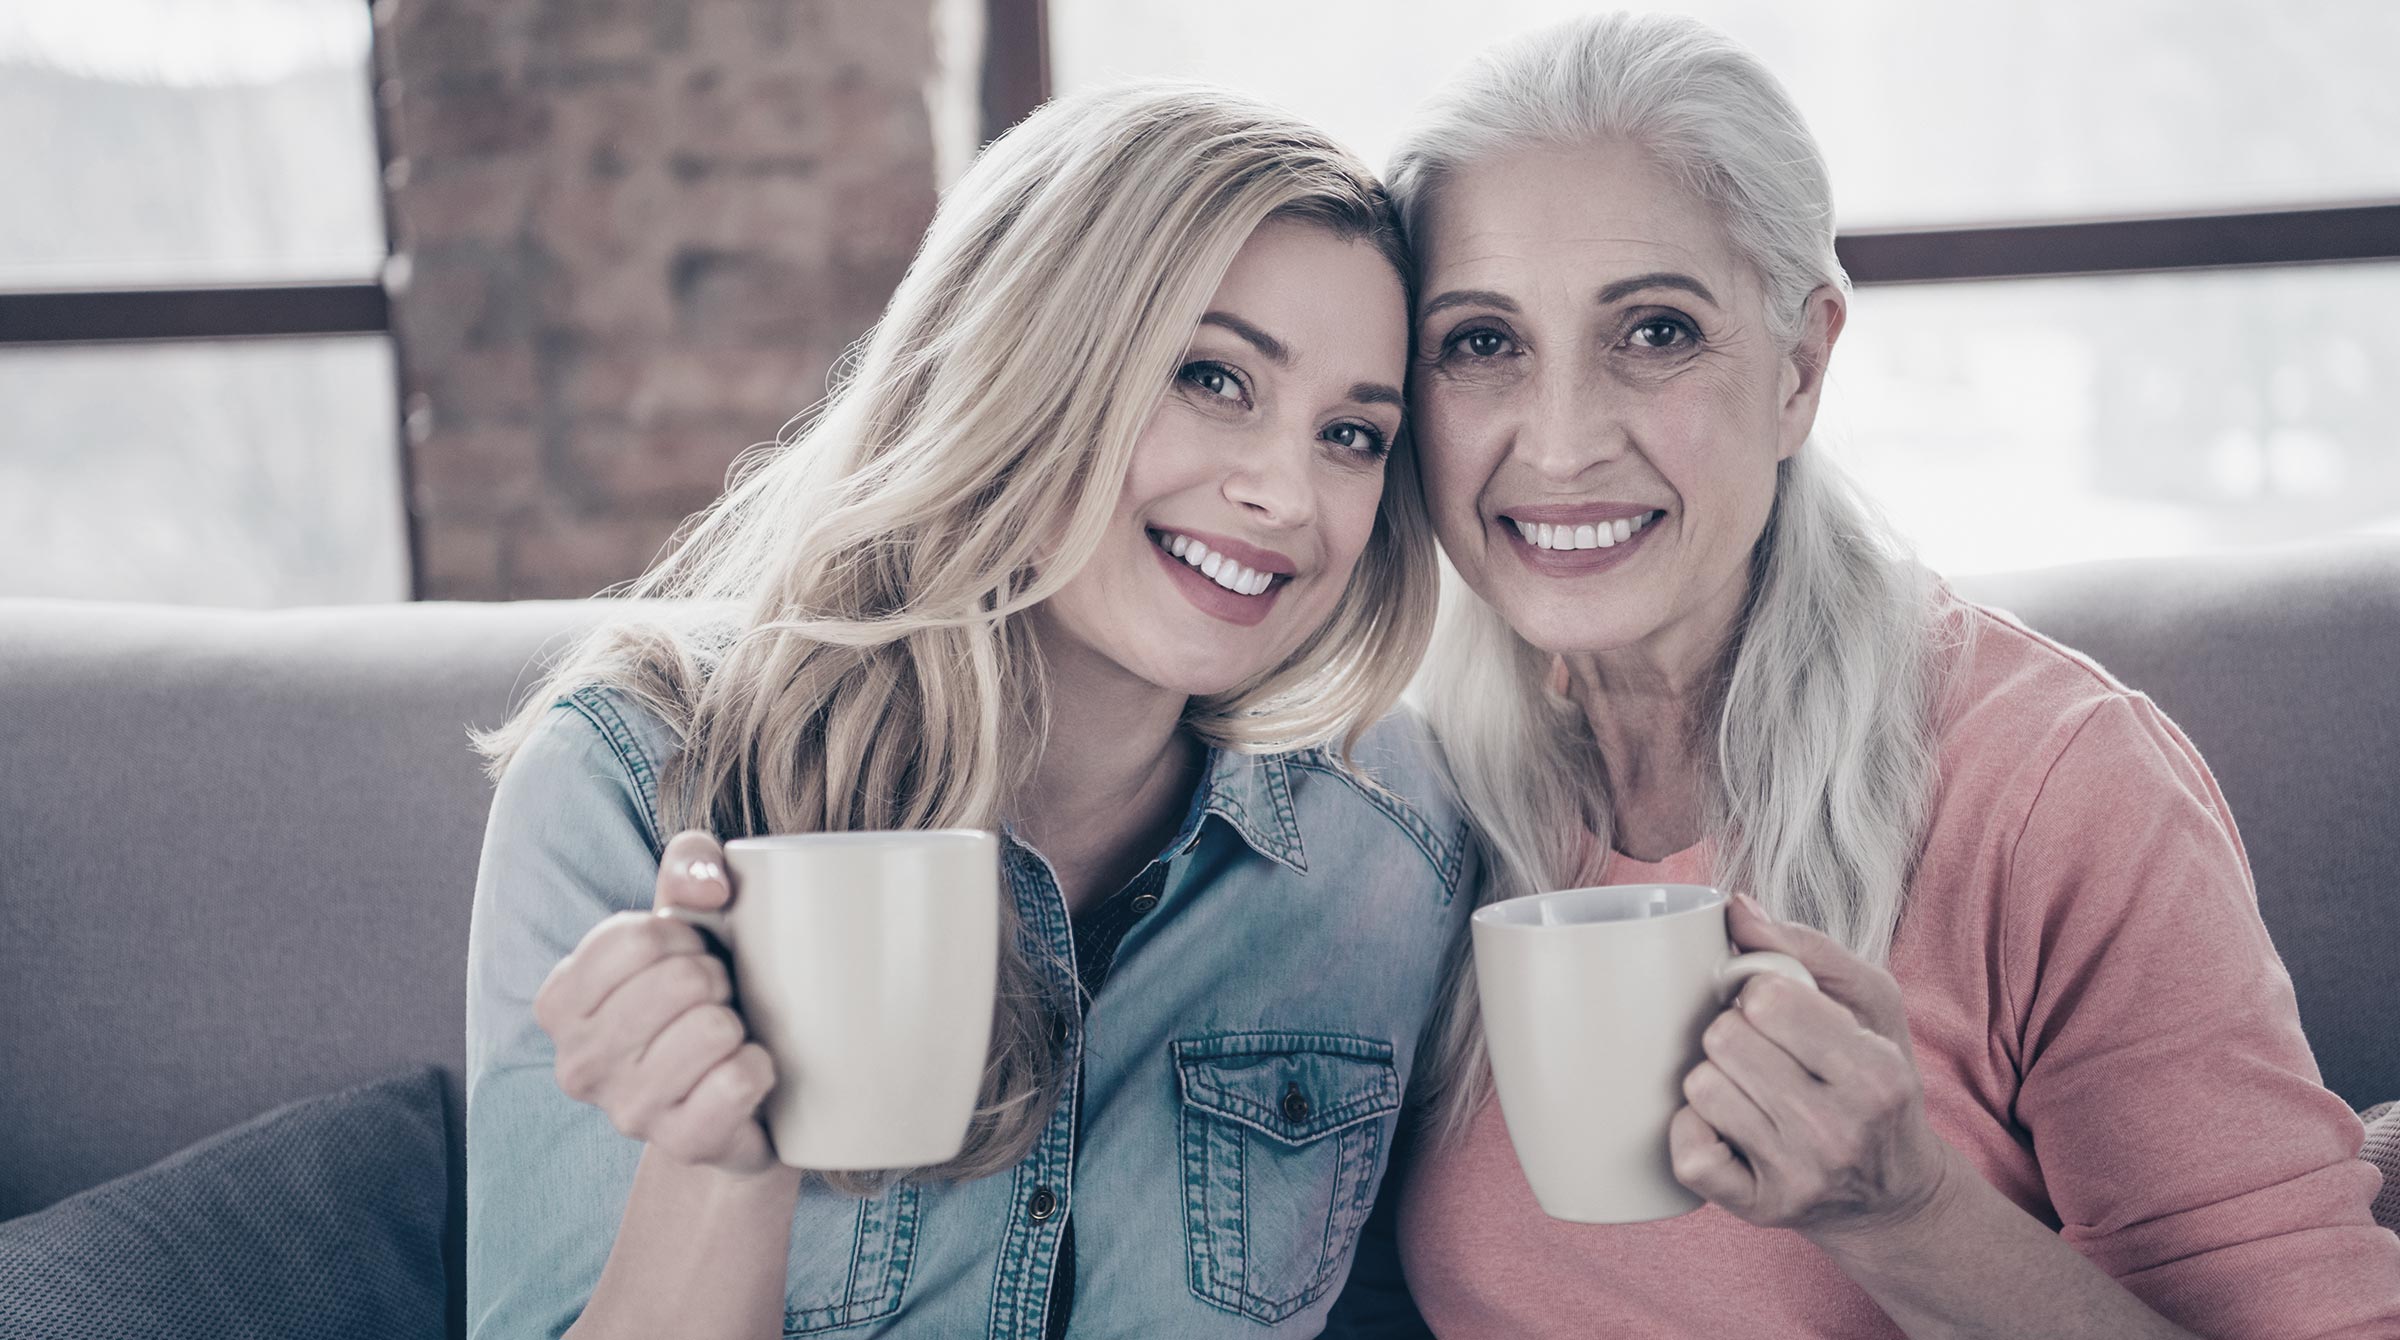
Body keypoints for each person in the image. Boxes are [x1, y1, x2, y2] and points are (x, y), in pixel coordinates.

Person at [1366, 12, 2400, 1338]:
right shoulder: (1403, 801)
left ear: (1800, 368)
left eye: (1657, 332)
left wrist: (1905, 1214)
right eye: (1482, 343)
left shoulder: (2056, 789)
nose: (1560, 446)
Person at [464, 81, 1477, 1339]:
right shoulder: (637, 779)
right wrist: (721, 1164)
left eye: (1353, 434)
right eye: (1211, 376)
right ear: (1027, 357)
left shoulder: (1391, 835)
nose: (1285, 490)